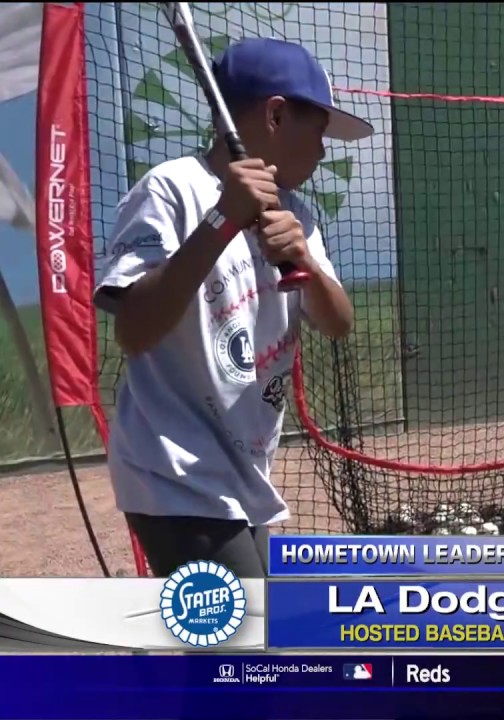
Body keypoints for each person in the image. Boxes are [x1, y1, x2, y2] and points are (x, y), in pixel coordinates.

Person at [93, 38, 367, 578]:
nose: (323, 149)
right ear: (277, 114)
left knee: (246, 639)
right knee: (246, 645)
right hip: (176, 470)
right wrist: (223, 219)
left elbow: (338, 322)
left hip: (245, 471)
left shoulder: (296, 212)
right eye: (318, 129)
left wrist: (304, 257)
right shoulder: (173, 189)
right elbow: (134, 330)